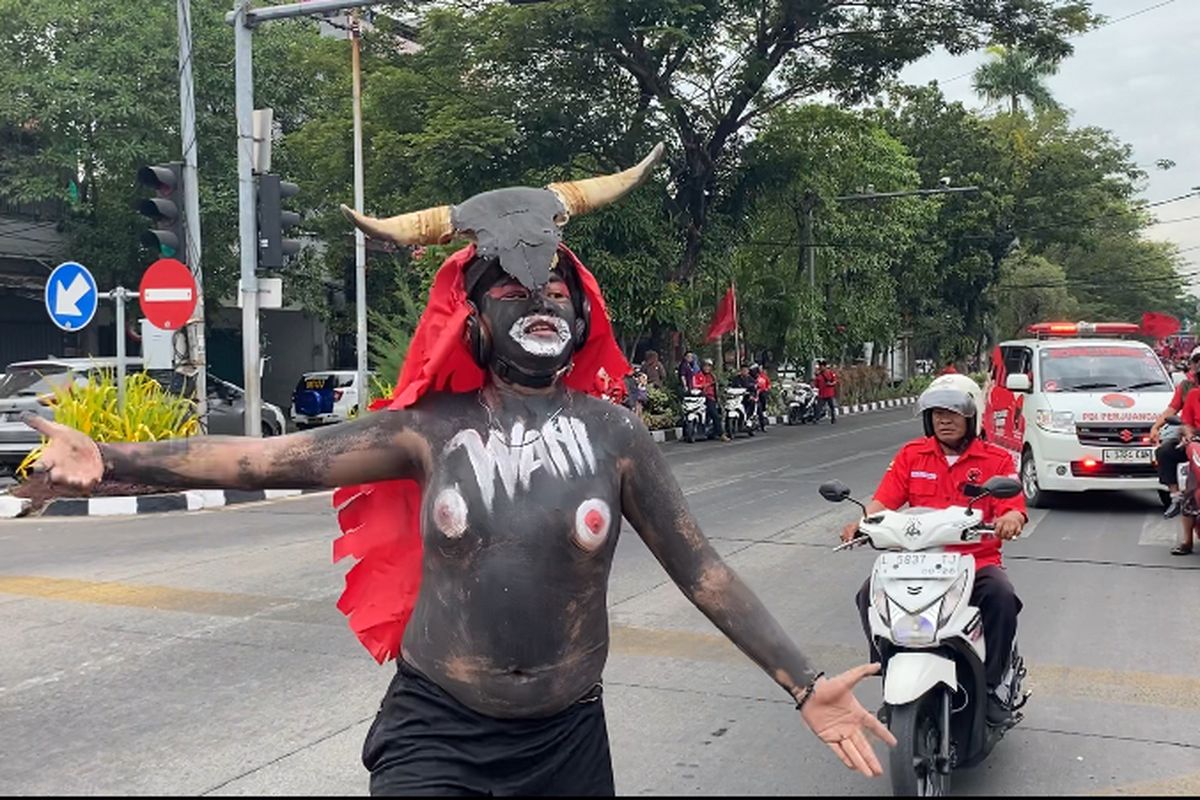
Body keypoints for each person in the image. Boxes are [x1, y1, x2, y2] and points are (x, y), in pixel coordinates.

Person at [26, 146, 894, 796]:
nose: (540, 301)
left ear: (580, 312)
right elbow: (265, 459)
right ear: (472, 318)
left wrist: (805, 685)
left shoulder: (616, 434)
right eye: (512, 292)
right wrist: (112, 458)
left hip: (567, 741)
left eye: (555, 291)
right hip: (436, 732)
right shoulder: (427, 432)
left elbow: (704, 572)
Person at [840, 375, 1026, 726]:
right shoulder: (913, 454)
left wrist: (1010, 519)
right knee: (868, 595)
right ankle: (890, 673)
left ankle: (991, 688)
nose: (944, 420)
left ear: (972, 416)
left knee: (1001, 597)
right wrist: (861, 523)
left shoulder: (996, 459)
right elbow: (884, 501)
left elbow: (1013, 506)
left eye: (953, 413)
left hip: (974, 563)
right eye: (937, 413)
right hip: (917, 562)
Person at [1150, 347, 1200, 530]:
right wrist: (1156, 427)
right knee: (1165, 451)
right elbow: (1176, 414)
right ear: (1192, 364)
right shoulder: (1187, 389)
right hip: (1193, 439)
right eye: (1197, 361)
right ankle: (1175, 497)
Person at [693, 358, 728, 442]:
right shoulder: (697, 375)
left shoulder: (712, 376)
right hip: (698, 398)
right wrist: (703, 386)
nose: (707, 368)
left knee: (715, 415)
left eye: (709, 366)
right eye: (705, 366)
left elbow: (717, 387)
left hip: (710, 398)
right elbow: (694, 385)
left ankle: (721, 434)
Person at [730, 365, 758, 432]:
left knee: (752, 403)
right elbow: (732, 387)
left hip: (747, 398)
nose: (744, 372)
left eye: (745, 370)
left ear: (748, 371)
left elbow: (754, 389)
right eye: (743, 370)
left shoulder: (751, 380)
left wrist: (752, 395)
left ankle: (748, 419)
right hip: (737, 398)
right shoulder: (736, 379)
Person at [814, 359, 839, 424]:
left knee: (832, 407)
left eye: (822, 366)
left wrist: (830, 384)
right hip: (822, 394)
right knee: (819, 407)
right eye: (820, 366)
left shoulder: (830, 373)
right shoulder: (818, 375)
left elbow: (835, 381)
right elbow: (816, 384)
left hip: (829, 393)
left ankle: (833, 418)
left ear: (825, 366)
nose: (820, 368)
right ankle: (816, 418)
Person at [753, 364, 771, 431]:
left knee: (761, 409)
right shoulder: (752, 377)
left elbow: (768, 384)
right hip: (754, 394)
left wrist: (767, 389)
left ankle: (763, 424)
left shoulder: (764, 376)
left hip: (762, 393)